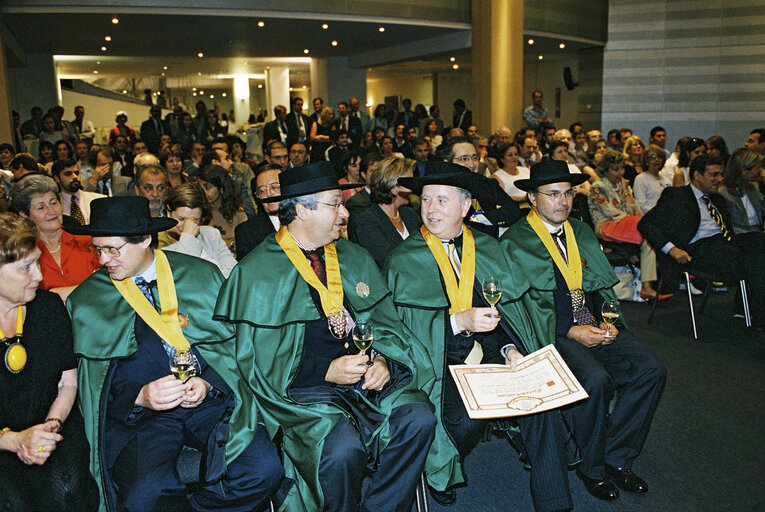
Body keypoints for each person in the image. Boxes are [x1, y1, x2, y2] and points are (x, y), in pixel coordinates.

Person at [214, 161, 437, 511]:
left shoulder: (353, 257)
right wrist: (324, 371)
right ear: (302, 209)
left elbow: (387, 325)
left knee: (418, 417)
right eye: (335, 203)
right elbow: (255, 363)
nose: (345, 213)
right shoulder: (256, 273)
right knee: (342, 449)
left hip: (366, 381)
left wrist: (383, 360)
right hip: (303, 391)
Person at [65, 196, 284, 511]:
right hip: (143, 420)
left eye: (112, 249)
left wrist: (209, 381)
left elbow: (233, 346)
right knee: (145, 495)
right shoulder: (88, 301)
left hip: (210, 403)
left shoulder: (199, 275)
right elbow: (90, 384)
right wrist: (140, 396)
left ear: (144, 239)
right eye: (97, 249)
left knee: (263, 471)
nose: (103, 259)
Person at [387, 161, 575, 511]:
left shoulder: (487, 248)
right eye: (426, 200)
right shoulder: (405, 258)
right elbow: (405, 331)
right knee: (463, 420)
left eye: (442, 201)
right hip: (438, 362)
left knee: (540, 398)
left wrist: (509, 348)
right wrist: (459, 321)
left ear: (465, 206)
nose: (430, 210)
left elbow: (510, 312)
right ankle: (438, 468)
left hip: (486, 353)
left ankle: (555, 501)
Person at [501, 159, 667, 503]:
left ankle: (616, 457)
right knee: (595, 379)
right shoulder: (516, 241)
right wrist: (571, 330)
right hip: (551, 333)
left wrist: (610, 321)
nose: (563, 201)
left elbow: (599, 288)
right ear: (532, 198)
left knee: (651, 370)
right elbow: (522, 307)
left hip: (595, 324)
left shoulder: (580, 230)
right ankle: (591, 468)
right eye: (553, 194)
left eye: (568, 193)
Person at [0, 213, 99, 511]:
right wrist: (15, 441)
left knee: (69, 488)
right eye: (26, 267)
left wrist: (50, 427)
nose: (40, 277)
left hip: (53, 423)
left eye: (38, 262)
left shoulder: (47, 308)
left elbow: (68, 382)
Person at [639, 154, 765, 329]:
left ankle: (757, 313)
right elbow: (646, 224)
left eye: (721, 175)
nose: (719, 179)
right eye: (714, 175)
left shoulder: (717, 199)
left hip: (725, 243)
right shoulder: (676, 195)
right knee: (754, 261)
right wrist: (672, 249)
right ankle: (759, 315)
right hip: (696, 250)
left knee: (759, 241)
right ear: (697, 175)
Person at [589, 149, 665, 300]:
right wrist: (629, 216)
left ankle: (648, 285)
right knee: (646, 231)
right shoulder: (597, 186)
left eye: (622, 168)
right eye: (615, 169)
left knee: (648, 236)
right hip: (606, 225)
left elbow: (636, 209)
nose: (620, 173)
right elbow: (608, 211)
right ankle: (646, 286)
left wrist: (625, 191)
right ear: (605, 170)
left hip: (626, 224)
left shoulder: (624, 186)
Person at [12, 175, 101, 302]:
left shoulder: (88, 242)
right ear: (24, 215)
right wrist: (86, 289)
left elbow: (108, 286)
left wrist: (54, 294)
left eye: (54, 203)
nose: (52, 211)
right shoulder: (23, 253)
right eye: (41, 207)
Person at [347, 156, 419, 269]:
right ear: (394, 188)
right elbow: (389, 262)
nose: (412, 189)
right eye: (409, 184)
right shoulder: (367, 220)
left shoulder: (410, 214)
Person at [158, 183, 237, 277]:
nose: (188, 226)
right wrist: (188, 237)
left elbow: (233, 271)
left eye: (195, 220)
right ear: (168, 213)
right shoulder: (158, 243)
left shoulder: (211, 234)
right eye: (181, 219)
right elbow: (181, 275)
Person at [234, 164, 282, 260]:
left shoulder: (305, 220)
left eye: (275, 187)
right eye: (262, 190)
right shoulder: (246, 232)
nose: (269, 194)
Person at [197, 164, 247, 249]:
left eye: (207, 187)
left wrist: (231, 244)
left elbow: (247, 244)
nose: (203, 192)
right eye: (200, 187)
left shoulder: (238, 213)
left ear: (221, 189)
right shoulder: (198, 212)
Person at [718, 148, 764, 233]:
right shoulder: (723, 193)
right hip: (741, 236)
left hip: (758, 232)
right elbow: (730, 227)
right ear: (744, 171)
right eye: (757, 168)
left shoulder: (753, 188)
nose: (761, 171)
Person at [633, 144, 670, 213]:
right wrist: (659, 211)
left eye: (659, 157)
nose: (657, 160)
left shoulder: (667, 179)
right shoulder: (641, 179)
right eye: (653, 157)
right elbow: (640, 206)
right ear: (646, 162)